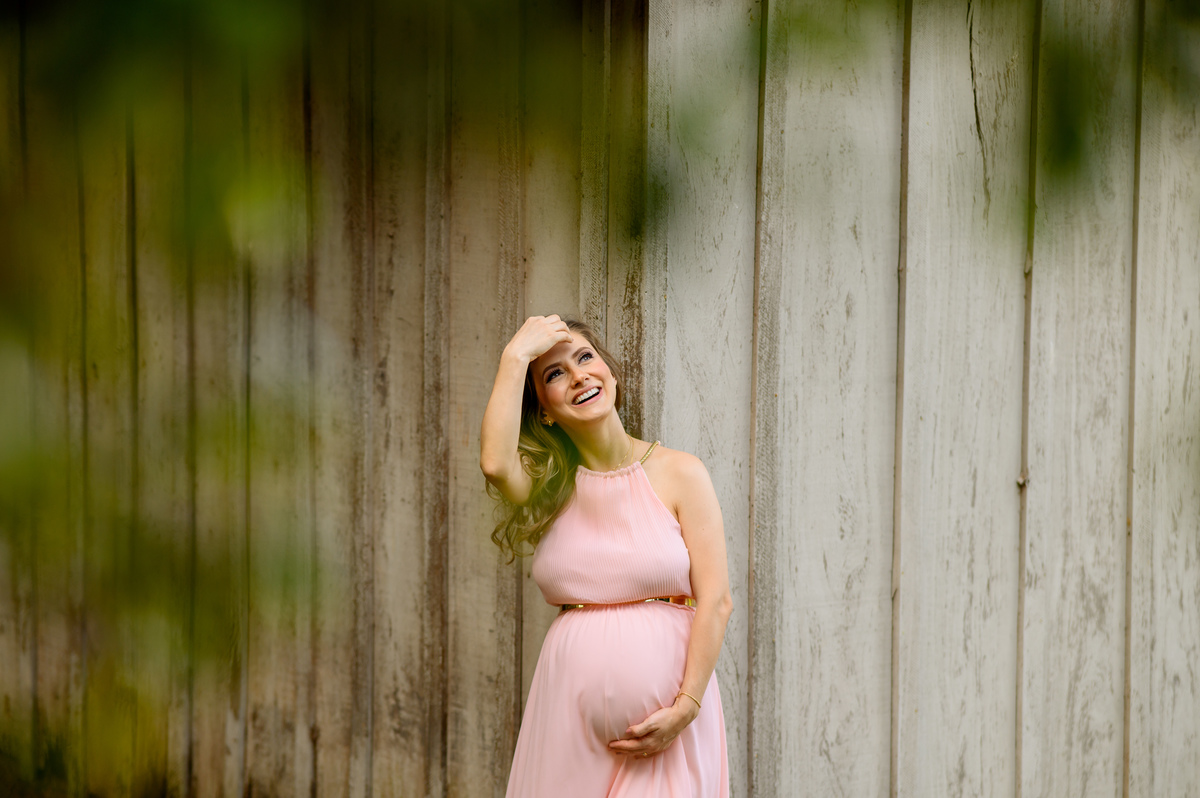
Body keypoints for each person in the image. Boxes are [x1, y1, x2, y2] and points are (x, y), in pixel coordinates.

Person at [480, 314, 732, 796]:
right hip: (566, 727)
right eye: (555, 373)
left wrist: (686, 706)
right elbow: (494, 463)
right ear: (544, 409)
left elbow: (717, 599)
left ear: (610, 373)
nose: (578, 376)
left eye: (585, 358)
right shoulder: (548, 487)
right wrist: (516, 355)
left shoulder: (681, 473)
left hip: (667, 728)